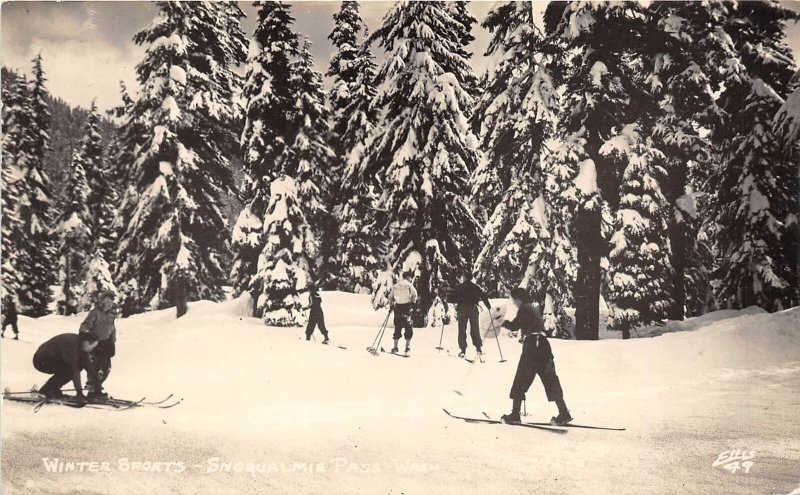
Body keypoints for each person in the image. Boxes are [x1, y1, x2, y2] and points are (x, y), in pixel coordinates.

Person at [496, 287, 572, 426]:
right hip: (543, 345)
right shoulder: (532, 308)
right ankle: (564, 412)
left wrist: (501, 321)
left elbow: (515, 325)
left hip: (532, 347)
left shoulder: (524, 309)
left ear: (518, 298)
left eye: (514, 300)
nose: (514, 303)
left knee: (521, 379)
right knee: (550, 379)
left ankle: (514, 414)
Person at [33, 332, 101, 405]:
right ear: (87, 342)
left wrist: (97, 384)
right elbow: (74, 369)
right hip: (41, 360)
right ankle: (49, 389)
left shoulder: (81, 345)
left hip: (53, 359)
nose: (91, 349)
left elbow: (88, 365)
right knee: (70, 369)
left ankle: (50, 388)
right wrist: (79, 392)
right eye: (92, 346)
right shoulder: (71, 344)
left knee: (78, 366)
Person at [79, 290, 117, 400]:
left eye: (111, 301)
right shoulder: (94, 313)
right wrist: (86, 338)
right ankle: (92, 391)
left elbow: (112, 330)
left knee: (106, 368)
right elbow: (84, 326)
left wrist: (112, 343)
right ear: (102, 301)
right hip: (95, 344)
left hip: (106, 344)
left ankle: (98, 389)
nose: (110, 303)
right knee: (94, 368)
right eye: (108, 300)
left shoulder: (111, 315)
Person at [451, 272, 491, 358]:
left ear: (465, 277)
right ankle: (478, 348)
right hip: (473, 309)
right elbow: (484, 296)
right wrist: (488, 306)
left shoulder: (459, 287)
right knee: (475, 328)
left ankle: (462, 350)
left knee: (462, 329)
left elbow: (451, 297)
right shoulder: (476, 287)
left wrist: (452, 299)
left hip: (462, 310)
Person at [388, 272, 417, 354]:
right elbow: (414, 294)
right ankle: (407, 348)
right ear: (408, 277)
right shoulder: (409, 285)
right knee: (408, 326)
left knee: (397, 325)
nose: (411, 279)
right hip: (406, 307)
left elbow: (390, 297)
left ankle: (395, 347)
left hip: (398, 307)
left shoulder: (396, 285)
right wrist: (413, 302)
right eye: (410, 277)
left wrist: (391, 305)